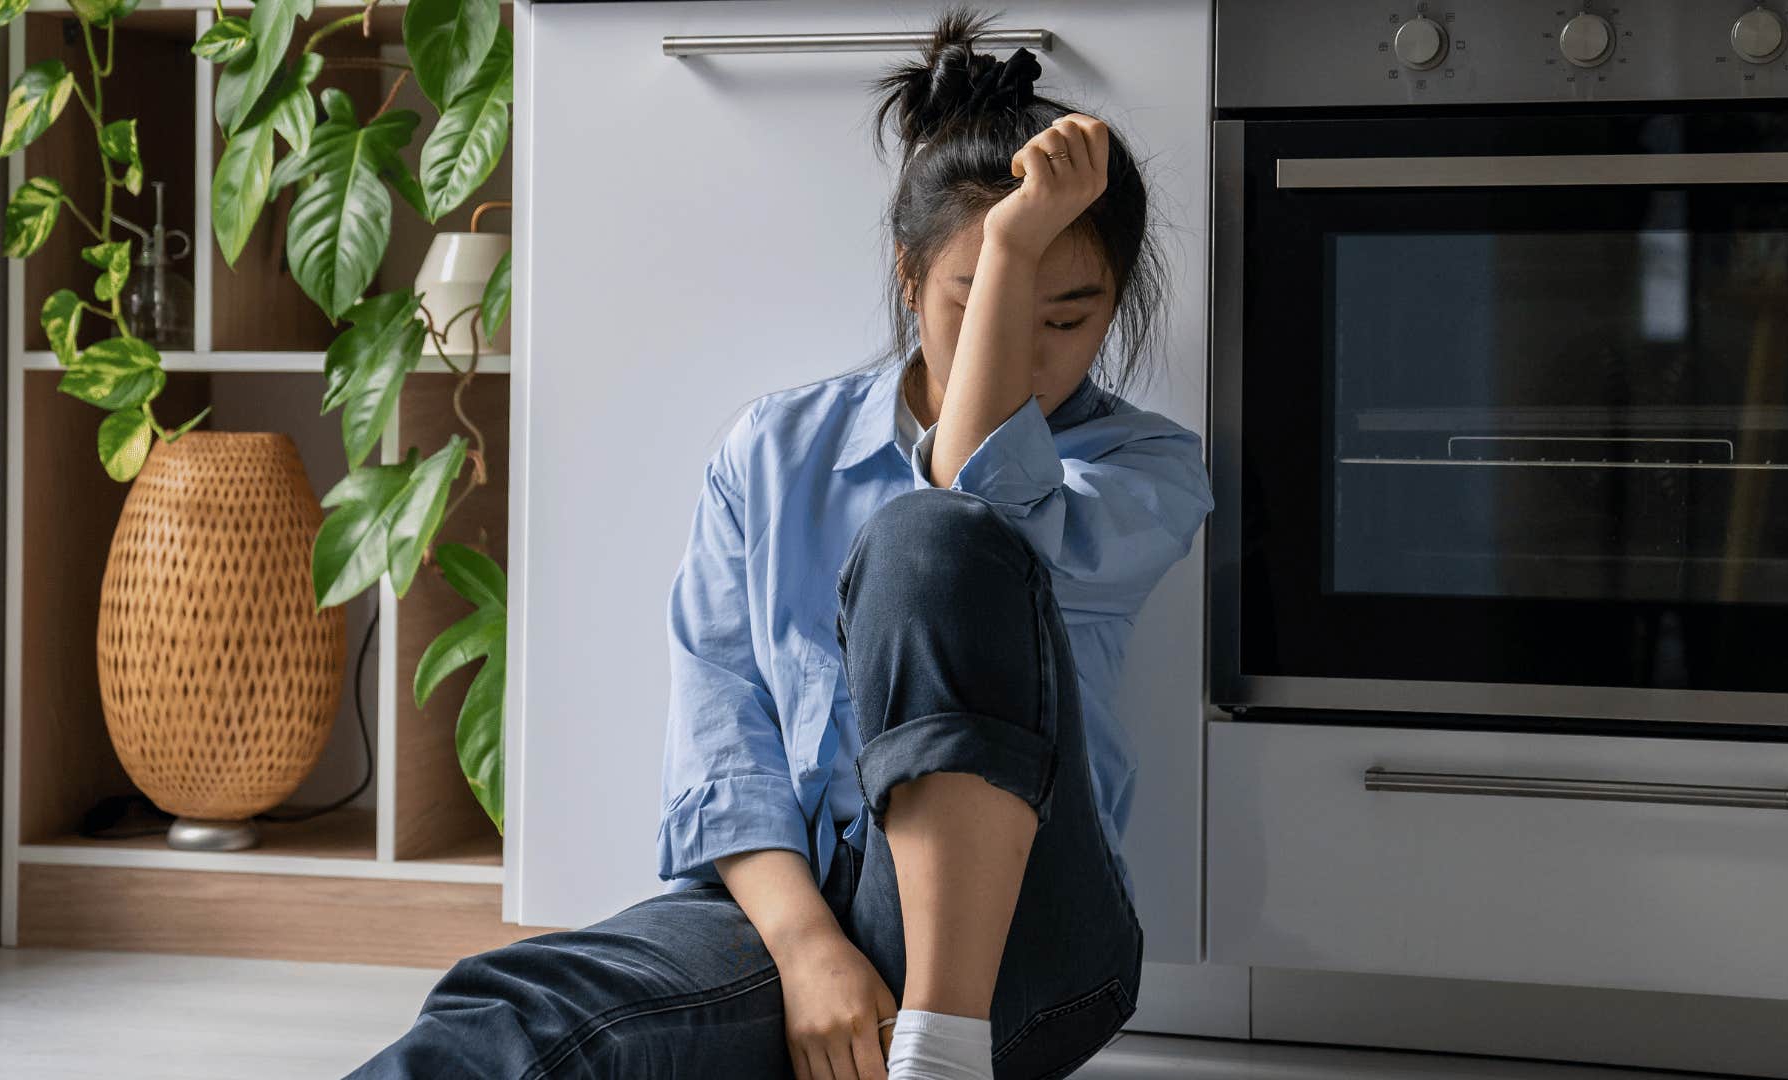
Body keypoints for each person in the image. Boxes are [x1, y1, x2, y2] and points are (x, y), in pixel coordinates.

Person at [342, 5, 1212, 1078]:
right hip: (796, 910)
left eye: (1066, 315)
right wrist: (808, 955)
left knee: (929, 544)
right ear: (908, 278)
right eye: (979, 297)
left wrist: (1016, 245)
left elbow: (974, 492)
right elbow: (725, 739)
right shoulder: (771, 452)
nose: (1030, 350)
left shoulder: (1149, 470)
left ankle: (940, 1054)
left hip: (1034, 946)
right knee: (518, 1012)